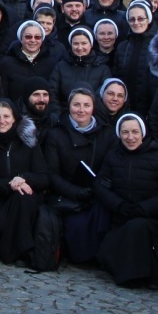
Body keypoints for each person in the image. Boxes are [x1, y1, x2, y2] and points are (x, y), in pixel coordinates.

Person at [95, 113, 158, 287]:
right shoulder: (113, 156)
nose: (130, 137)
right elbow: (100, 186)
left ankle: (135, 278)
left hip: (154, 218)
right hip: (123, 215)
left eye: (135, 132)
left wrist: (145, 208)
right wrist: (119, 205)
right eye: (125, 132)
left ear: (143, 132)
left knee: (137, 227)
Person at [0, 98, 48, 268]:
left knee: (23, 196)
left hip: (27, 199)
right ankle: (22, 251)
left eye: (6, 116)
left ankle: (12, 251)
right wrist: (11, 184)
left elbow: (43, 177)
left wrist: (24, 178)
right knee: (19, 196)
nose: (2, 121)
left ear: (14, 118)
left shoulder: (29, 141)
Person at [43, 85, 111, 263]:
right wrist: (74, 192)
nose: (81, 110)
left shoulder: (106, 134)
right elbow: (52, 173)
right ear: (69, 106)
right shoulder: (56, 134)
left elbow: (109, 167)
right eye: (77, 105)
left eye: (86, 105)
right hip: (67, 194)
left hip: (97, 193)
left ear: (93, 108)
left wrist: (97, 189)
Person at [50, 27, 111, 109]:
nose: (79, 47)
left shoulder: (103, 68)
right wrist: (58, 114)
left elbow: (103, 96)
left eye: (84, 43)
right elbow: (52, 92)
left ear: (91, 44)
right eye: (76, 43)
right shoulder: (60, 67)